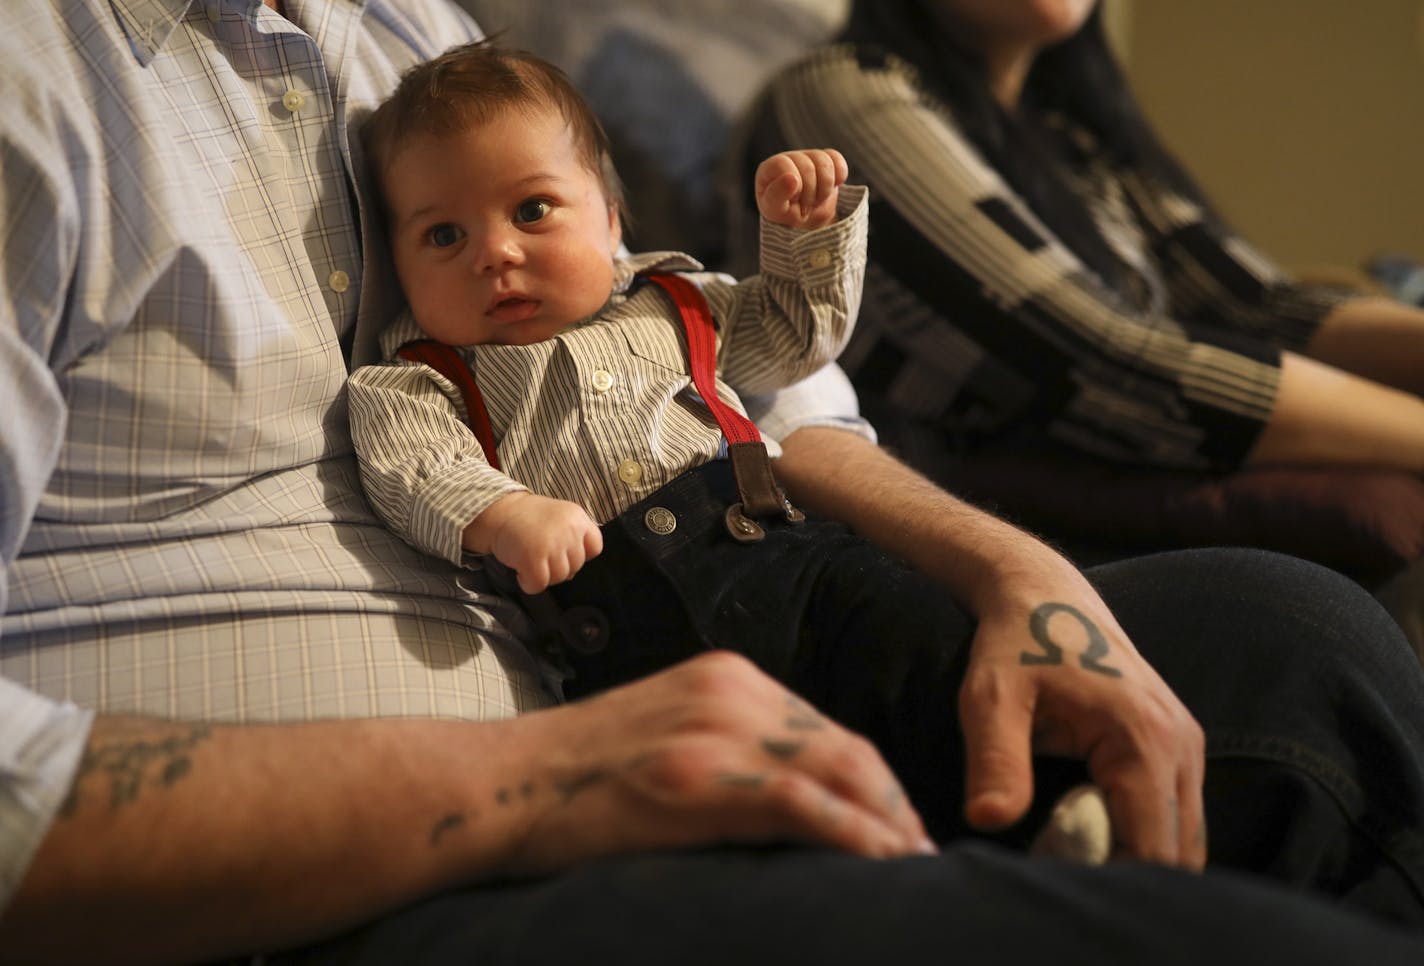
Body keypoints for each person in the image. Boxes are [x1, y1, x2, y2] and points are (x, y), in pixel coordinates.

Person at [4, 1, 1424, 964]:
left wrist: (1011, 568)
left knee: (1303, 648)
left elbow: (749, 372)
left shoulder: (412, 34)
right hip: (319, 882)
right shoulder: (36, 81)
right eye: (448, 231)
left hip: (682, 658)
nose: (493, 249)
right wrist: (539, 775)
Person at [726, 0, 1424, 490]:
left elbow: (1257, 306)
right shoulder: (839, 89)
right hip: (953, 514)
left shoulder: (1068, 133)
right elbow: (1099, 360)